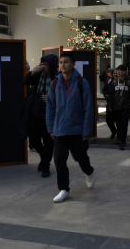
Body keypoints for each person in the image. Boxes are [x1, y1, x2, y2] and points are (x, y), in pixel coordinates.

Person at [46, 52, 95, 203]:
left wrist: (87, 131)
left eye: (66, 62)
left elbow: (88, 109)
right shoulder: (55, 84)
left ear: (73, 64)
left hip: (77, 129)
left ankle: (89, 171)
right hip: (60, 129)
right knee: (59, 160)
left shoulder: (81, 83)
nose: (62, 65)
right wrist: (51, 128)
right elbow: (50, 108)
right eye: (60, 62)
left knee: (80, 157)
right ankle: (63, 189)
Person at [23, 55, 58, 177]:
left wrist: (51, 99)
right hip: (35, 113)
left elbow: (65, 97)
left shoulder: (57, 78)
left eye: (46, 64)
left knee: (49, 142)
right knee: (33, 139)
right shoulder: (38, 75)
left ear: (52, 65)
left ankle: (46, 165)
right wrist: (33, 71)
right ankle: (44, 158)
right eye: (41, 64)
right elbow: (26, 82)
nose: (43, 66)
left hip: (50, 116)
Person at [109, 65, 130, 150]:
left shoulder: (129, 81)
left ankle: (122, 141)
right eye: (118, 71)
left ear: (125, 72)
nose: (118, 72)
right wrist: (110, 106)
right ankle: (119, 138)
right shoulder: (114, 82)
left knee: (123, 124)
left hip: (126, 106)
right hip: (117, 106)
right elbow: (111, 95)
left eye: (120, 71)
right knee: (118, 123)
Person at [102, 68, 117, 140]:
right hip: (109, 102)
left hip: (116, 103)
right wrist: (105, 94)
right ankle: (114, 131)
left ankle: (119, 136)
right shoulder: (109, 80)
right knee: (108, 120)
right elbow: (104, 89)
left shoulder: (117, 81)